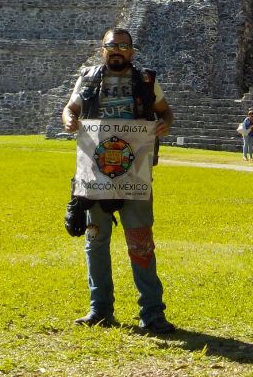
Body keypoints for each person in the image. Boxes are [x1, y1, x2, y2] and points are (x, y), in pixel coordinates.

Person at [62, 28, 176, 335]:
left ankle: (151, 313)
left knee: (140, 242)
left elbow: (165, 113)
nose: (118, 50)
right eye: (112, 45)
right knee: (96, 239)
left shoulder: (147, 81)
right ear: (102, 50)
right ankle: (100, 309)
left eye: (123, 46)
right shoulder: (87, 78)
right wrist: (69, 119)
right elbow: (70, 109)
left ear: (132, 52)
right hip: (96, 172)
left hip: (135, 171)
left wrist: (163, 125)